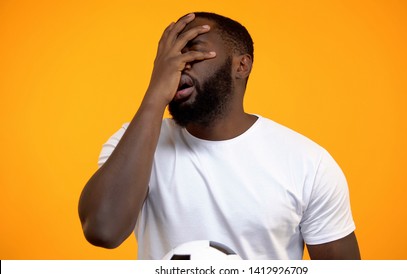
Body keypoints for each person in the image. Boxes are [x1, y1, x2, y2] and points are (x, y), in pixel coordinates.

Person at [78, 12, 360, 260]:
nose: (178, 65)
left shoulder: (309, 162)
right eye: (170, 56)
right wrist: (154, 96)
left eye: (193, 51)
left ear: (241, 66)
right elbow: (103, 230)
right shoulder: (134, 143)